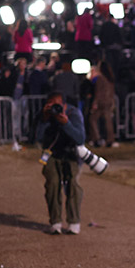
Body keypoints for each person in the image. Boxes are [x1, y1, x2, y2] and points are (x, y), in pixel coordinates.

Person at [35, 92, 85, 235]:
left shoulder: (73, 113)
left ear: (63, 104)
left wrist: (66, 123)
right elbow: (36, 138)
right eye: (52, 105)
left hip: (71, 154)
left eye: (57, 105)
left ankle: (74, 222)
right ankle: (55, 222)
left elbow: (80, 138)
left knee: (73, 185)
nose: (55, 109)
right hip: (51, 154)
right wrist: (44, 119)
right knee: (52, 184)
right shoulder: (45, 115)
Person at [88, 61, 116, 147]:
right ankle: (110, 139)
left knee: (92, 119)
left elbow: (98, 92)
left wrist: (95, 103)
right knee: (108, 121)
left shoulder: (100, 78)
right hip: (108, 102)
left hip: (101, 102)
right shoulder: (110, 79)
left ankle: (96, 139)